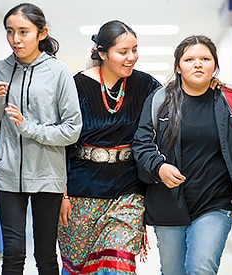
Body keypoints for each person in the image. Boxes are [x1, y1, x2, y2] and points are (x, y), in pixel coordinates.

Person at [132, 35, 232, 275]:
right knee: (173, 271)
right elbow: (142, 144)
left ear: (214, 65)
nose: (198, 64)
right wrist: (159, 168)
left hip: (215, 203)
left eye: (205, 58)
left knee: (201, 269)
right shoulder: (159, 101)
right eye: (189, 59)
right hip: (168, 204)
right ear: (178, 66)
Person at [57, 20, 162, 275]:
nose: (131, 57)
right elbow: (61, 146)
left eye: (135, 50)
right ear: (102, 53)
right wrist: (63, 195)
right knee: (80, 268)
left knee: (118, 266)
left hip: (128, 191)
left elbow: (177, 104)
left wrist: (212, 85)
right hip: (81, 191)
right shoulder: (76, 86)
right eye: (123, 52)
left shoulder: (147, 86)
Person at [0, 3, 82, 275]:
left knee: (45, 255)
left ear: (42, 33)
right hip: (8, 173)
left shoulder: (58, 71)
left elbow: (72, 129)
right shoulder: (0, 69)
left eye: (23, 32)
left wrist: (28, 127)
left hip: (47, 174)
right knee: (13, 253)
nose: (15, 39)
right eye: (10, 31)